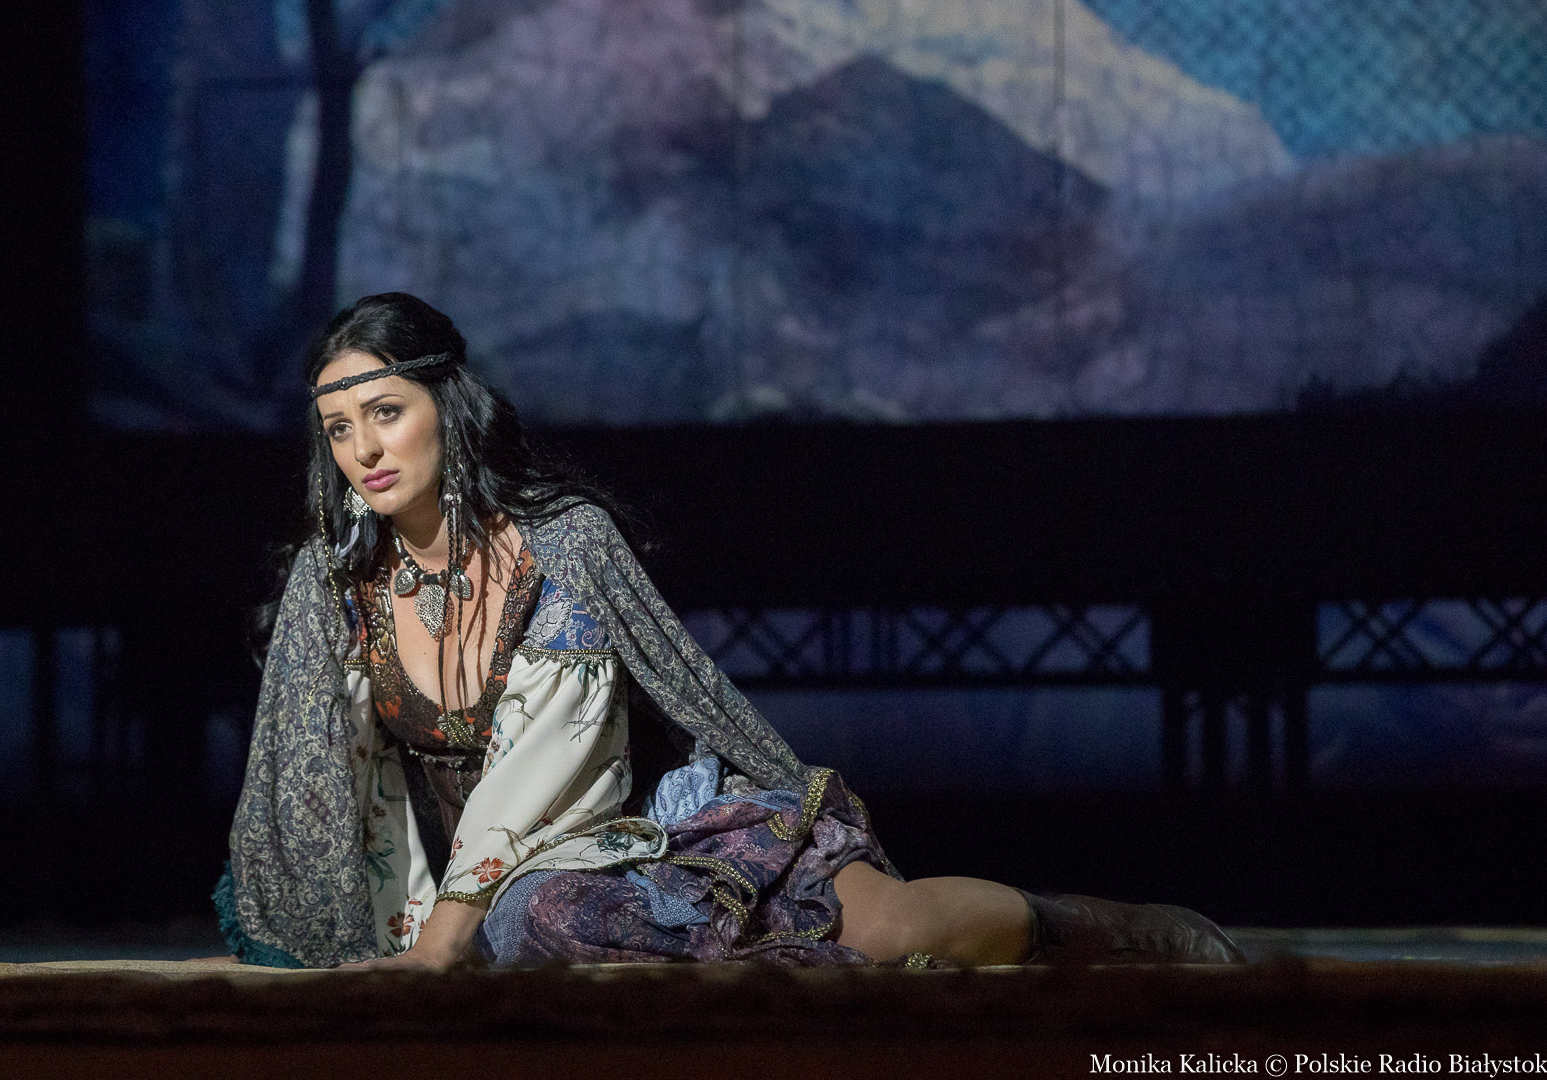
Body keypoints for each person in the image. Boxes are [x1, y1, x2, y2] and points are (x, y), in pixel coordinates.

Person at [213, 292, 1243, 970]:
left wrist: (444, 942)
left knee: (877, 929)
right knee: (533, 927)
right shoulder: (333, 580)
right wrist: (350, 927)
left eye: (386, 412)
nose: (363, 448)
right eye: (339, 428)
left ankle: (1110, 932)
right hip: (479, 887)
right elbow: (309, 773)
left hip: (627, 831)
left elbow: (541, 759)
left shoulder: (560, 545)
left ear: (447, 404)